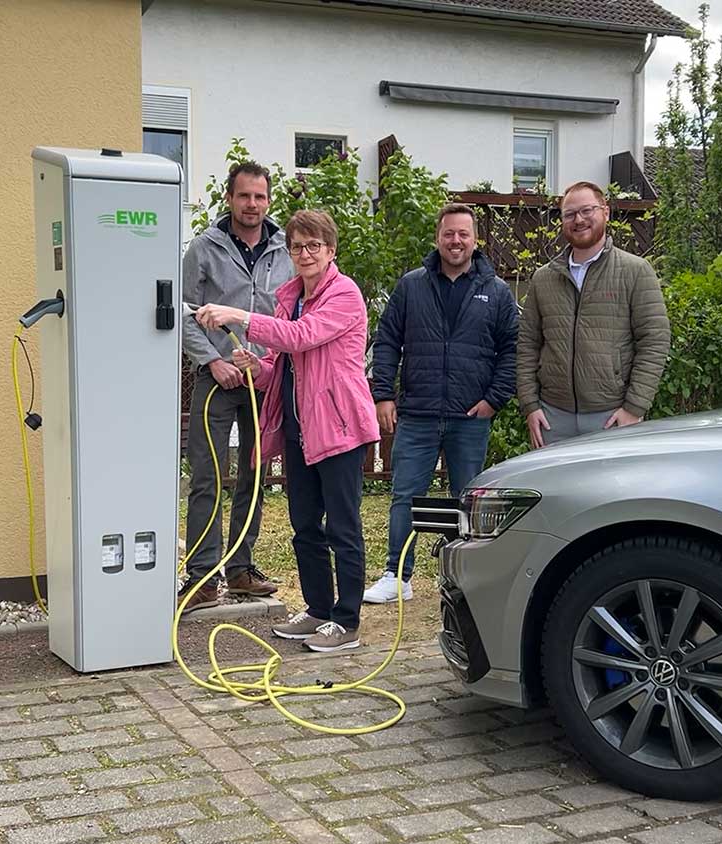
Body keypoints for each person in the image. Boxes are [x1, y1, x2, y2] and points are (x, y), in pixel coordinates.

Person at [194, 209, 380, 653]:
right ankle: (318, 609)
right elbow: (284, 364)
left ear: (331, 250)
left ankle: (347, 621)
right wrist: (256, 367)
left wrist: (237, 315)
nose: (304, 253)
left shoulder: (345, 295)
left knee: (343, 527)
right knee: (304, 526)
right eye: (297, 246)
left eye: (314, 245)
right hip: (300, 430)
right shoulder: (292, 297)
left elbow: (301, 337)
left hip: (338, 429)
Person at [364, 204, 516, 604]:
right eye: (449, 234)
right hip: (418, 412)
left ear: (475, 239)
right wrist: (383, 393)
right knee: (405, 495)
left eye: (463, 234)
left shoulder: (497, 292)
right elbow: (387, 341)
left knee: (468, 497)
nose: (456, 241)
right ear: (438, 238)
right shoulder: (411, 286)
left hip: (470, 416)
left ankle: (466, 577)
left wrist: (493, 400)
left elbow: (511, 351)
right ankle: (398, 575)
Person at [178, 162, 292, 613]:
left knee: (255, 474)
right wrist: (213, 360)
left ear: (269, 200)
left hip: (264, 378)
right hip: (218, 377)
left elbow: (288, 317)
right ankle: (203, 575)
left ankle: (241, 569)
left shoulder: (286, 248)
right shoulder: (203, 248)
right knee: (207, 475)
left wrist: (266, 364)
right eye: (244, 196)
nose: (252, 205)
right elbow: (183, 313)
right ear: (229, 198)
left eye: (260, 197)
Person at [517, 181, 670, 448]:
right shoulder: (544, 279)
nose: (579, 220)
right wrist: (530, 405)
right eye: (570, 214)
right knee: (557, 490)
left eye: (587, 210)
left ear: (605, 212)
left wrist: (634, 407)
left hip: (610, 417)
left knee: (614, 491)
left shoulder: (635, 271)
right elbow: (528, 344)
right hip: (553, 418)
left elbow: (654, 341)